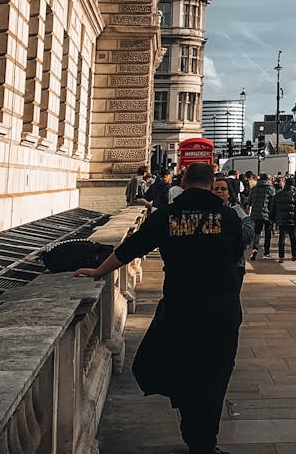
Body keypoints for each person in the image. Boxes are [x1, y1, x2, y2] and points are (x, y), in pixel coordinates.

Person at [74, 162, 243, 454]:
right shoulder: (227, 217)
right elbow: (237, 252)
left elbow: (130, 249)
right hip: (221, 308)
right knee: (215, 373)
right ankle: (204, 440)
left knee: (183, 366)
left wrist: (98, 271)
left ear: (185, 181)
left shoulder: (167, 216)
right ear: (211, 182)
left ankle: (194, 431)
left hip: (182, 305)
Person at [212, 177, 257, 292]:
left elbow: (248, 233)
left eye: (223, 189)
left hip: (234, 264)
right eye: (216, 189)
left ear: (229, 193)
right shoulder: (207, 211)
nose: (219, 191)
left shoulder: (236, 209)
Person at [272, 176, 296, 262]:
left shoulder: (278, 194)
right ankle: (294, 255)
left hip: (281, 219)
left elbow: (273, 208)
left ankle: (281, 256)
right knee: (293, 238)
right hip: (292, 220)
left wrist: (273, 219)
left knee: (281, 238)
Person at [247, 172, 275, 258]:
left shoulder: (254, 188)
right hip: (267, 213)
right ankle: (266, 253)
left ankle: (255, 248)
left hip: (256, 213)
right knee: (267, 233)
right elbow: (273, 202)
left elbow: (250, 201)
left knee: (257, 232)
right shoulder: (270, 188)